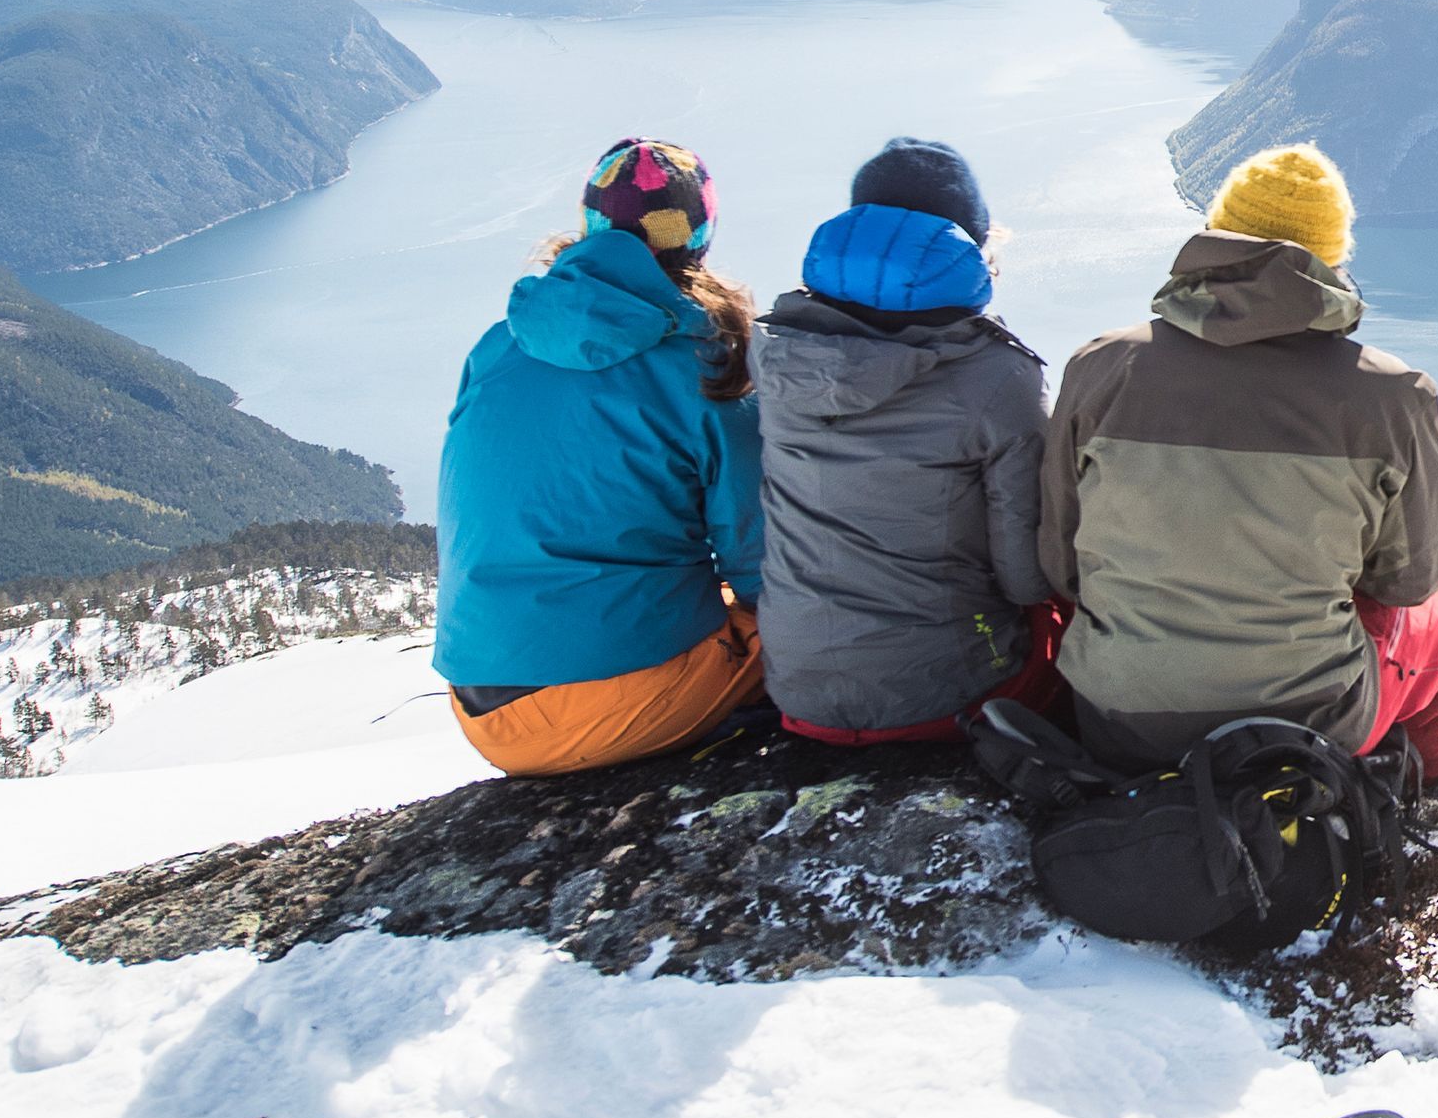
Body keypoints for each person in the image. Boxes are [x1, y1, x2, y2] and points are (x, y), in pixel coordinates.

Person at [1036, 143, 1438, 781]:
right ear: (1329, 259)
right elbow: (1411, 581)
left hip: (1115, 720)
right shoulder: (1392, 396)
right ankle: (1417, 778)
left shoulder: (1101, 368)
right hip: (1310, 727)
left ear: (1215, 241)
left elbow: (1061, 565)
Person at [428, 137, 771, 774]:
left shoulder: (497, 346)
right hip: (621, 702)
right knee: (813, 632)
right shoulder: (707, 366)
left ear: (590, 226)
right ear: (698, 238)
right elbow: (759, 566)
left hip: (483, 708)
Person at [746, 137, 1057, 745]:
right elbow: (1026, 580)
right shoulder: (998, 376)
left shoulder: (780, 351)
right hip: (948, 697)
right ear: (966, 245)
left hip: (798, 692)